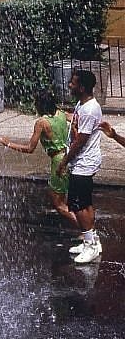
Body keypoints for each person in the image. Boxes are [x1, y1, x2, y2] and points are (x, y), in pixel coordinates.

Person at [0, 89, 76, 227]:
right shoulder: (62, 114)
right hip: (68, 156)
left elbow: (30, 149)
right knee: (63, 198)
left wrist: (8, 143)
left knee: (58, 204)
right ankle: (85, 225)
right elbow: (77, 119)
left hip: (58, 161)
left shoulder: (42, 122)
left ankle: (86, 230)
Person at [56, 70, 104, 264]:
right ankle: (93, 241)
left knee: (78, 205)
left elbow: (80, 141)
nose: (69, 86)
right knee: (85, 203)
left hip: (83, 163)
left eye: (72, 83)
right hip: (82, 162)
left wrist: (64, 162)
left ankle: (91, 245)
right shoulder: (82, 105)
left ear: (82, 87)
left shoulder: (90, 109)